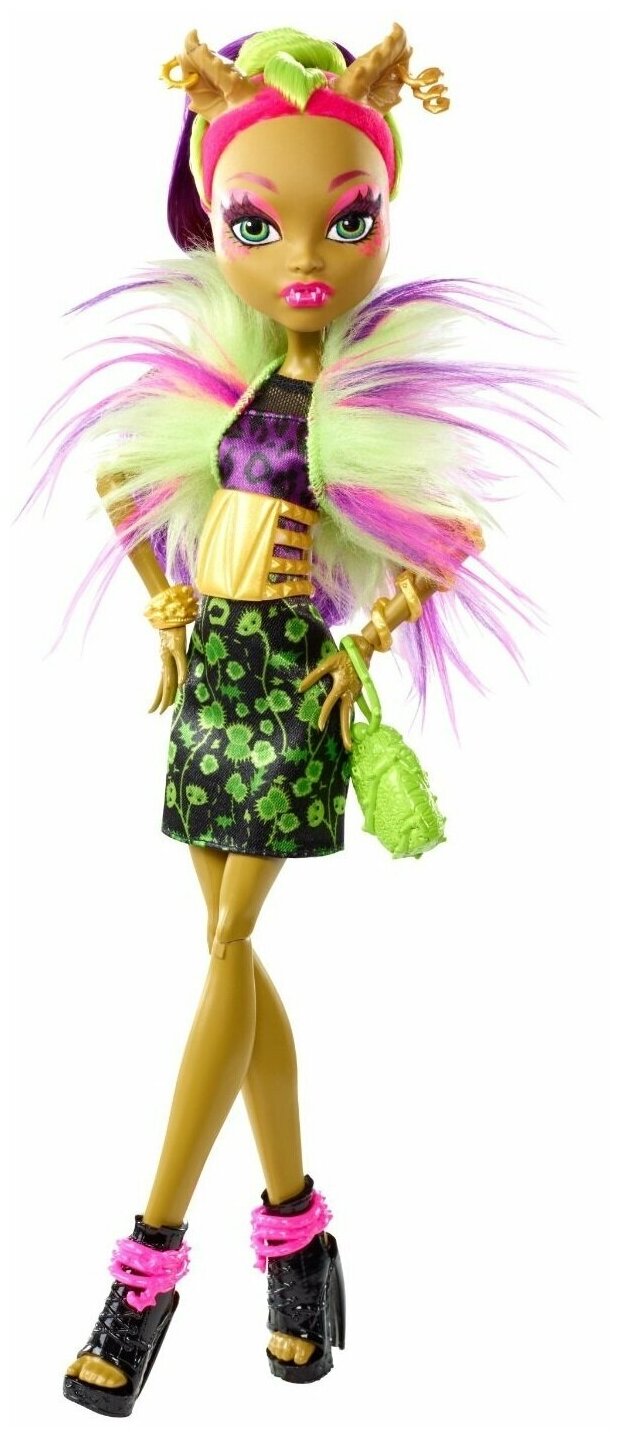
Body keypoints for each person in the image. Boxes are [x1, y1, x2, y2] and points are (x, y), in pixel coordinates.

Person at [33, 21, 556, 1417]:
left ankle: (148, 1263)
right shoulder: (228, 373)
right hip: (211, 675)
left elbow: (453, 534)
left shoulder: (365, 398)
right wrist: (162, 598)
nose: (306, 257)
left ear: (384, 214)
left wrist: (367, 637)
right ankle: (298, 1238)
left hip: (286, 682)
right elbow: (118, 482)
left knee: (227, 943)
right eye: (258, 225)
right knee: (232, 952)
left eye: (349, 220)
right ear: (215, 224)